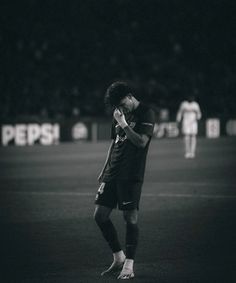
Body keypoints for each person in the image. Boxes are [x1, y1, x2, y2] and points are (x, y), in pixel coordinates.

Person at [94, 81, 155, 279]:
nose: (120, 109)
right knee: (100, 215)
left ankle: (129, 266)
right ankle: (118, 257)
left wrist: (124, 124)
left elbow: (141, 142)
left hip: (131, 174)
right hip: (113, 172)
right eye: (117, 106)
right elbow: (114, 144)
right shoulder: (118, 114)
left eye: (122, 103)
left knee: (130, 218)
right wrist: (104, 170)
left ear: (130, 96)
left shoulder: (146, 113)